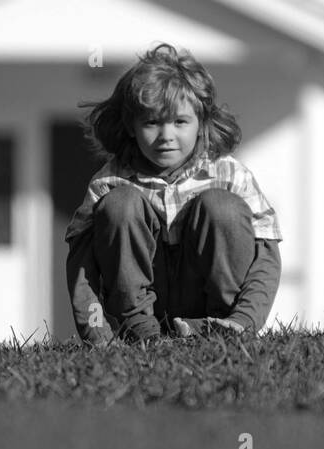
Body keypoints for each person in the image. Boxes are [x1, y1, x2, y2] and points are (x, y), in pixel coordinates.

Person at [63, 43, 282, 344]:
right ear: (130, 126)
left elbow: (265, 261)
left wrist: (244, 321)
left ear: (201, 123)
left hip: (218, 314)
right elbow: (83, 269)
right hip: (140, 321)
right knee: (121, 204)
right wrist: (97, 333)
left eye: (180, 122)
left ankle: (219, 328)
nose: (166, 136)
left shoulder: (231, 175)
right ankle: (141, 330)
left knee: (221, 206)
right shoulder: (108, 183)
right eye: (152, 122)